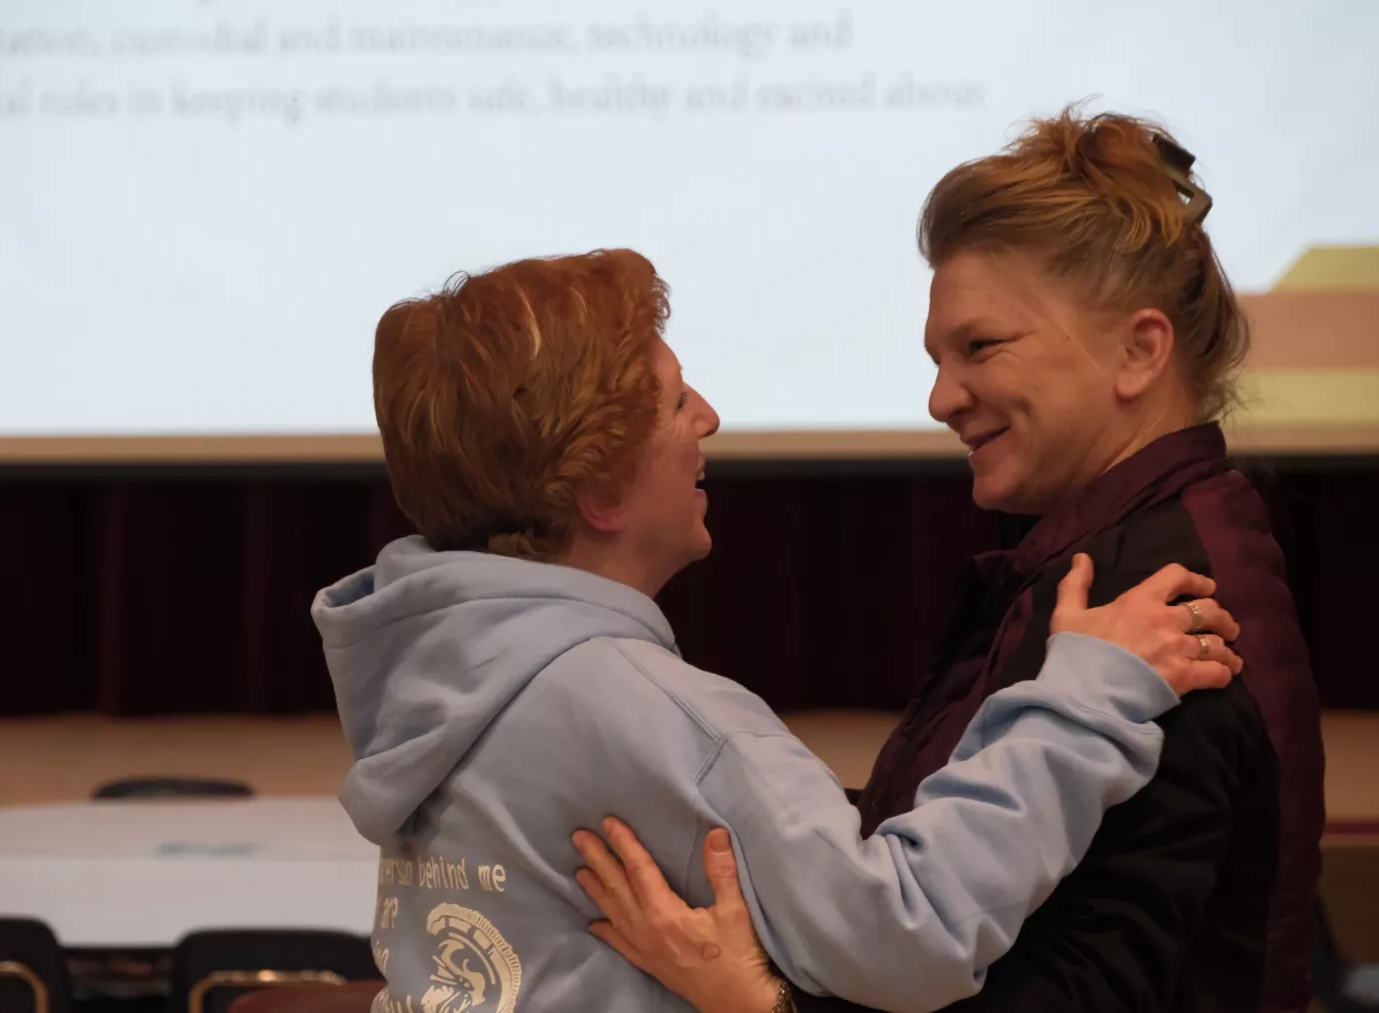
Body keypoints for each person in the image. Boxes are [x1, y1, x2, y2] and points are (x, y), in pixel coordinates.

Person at [314, 248, 1243, 1013]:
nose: (710, 417)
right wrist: (1087, 693)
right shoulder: (662, 720)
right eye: (677, 401)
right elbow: (906, 933)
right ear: (600, 494)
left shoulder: (433, 683)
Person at [574, 111, 1325, 1013]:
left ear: (1140, 350)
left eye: (981, 347)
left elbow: (1086, 992)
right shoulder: (1115, 561)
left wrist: (759, 1001)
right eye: (938, 357)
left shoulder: (1155, 601)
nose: (940, 397)